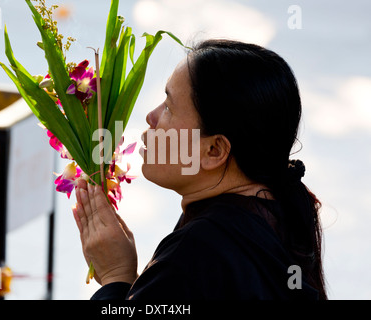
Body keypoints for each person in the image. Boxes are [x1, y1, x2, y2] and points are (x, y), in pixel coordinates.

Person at [72, 39, 327, 300]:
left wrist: (116, 276)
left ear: (214, 150)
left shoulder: (195, 252)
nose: (151, 116)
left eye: (169, 107)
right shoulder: (280, 206)